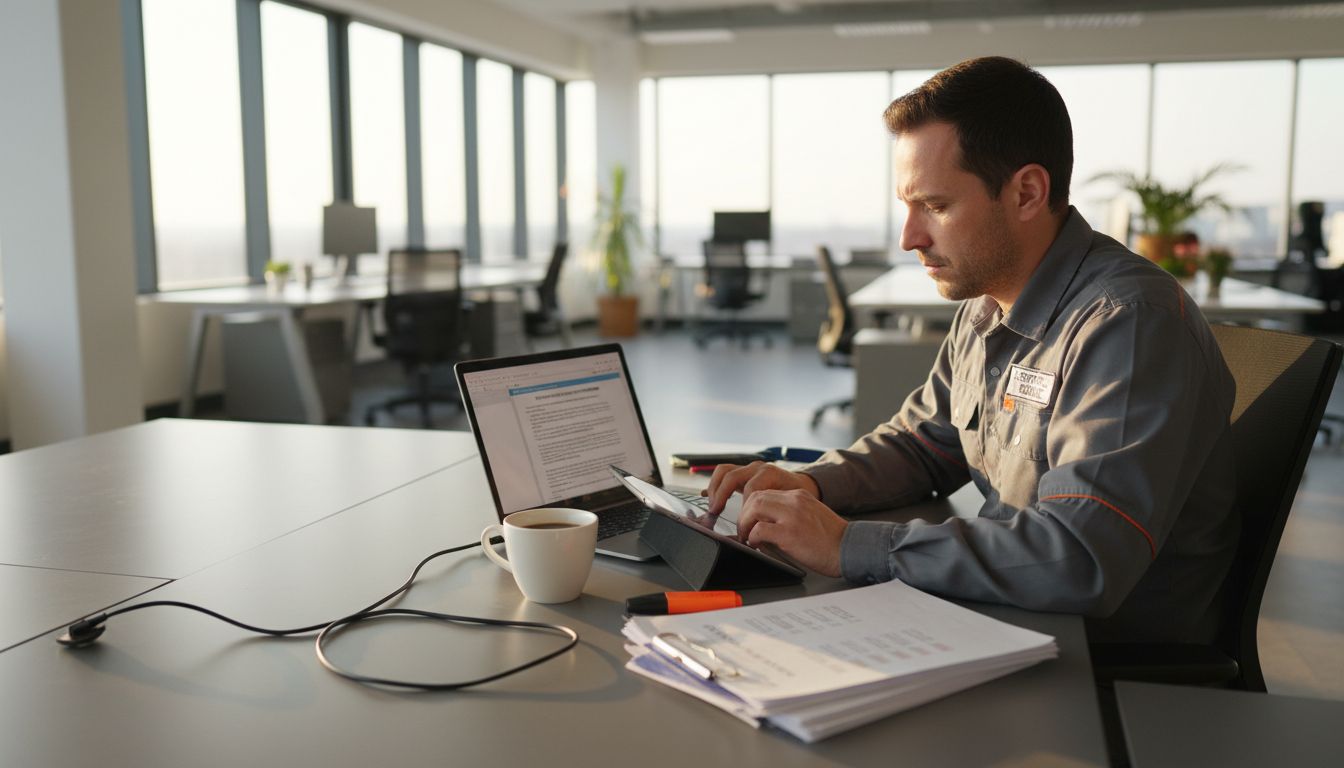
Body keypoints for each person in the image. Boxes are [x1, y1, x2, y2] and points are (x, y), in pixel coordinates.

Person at [705, 56, 1238, 645]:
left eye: (935, 206)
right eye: (908, 207)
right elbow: (923, 445)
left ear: (1028, 192)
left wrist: (845, 544)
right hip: (1009, 612)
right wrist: (812, 485)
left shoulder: (1128, 325)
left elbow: (1082, 557)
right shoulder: (985, 306)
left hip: (1097, 654)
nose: (910, 237)